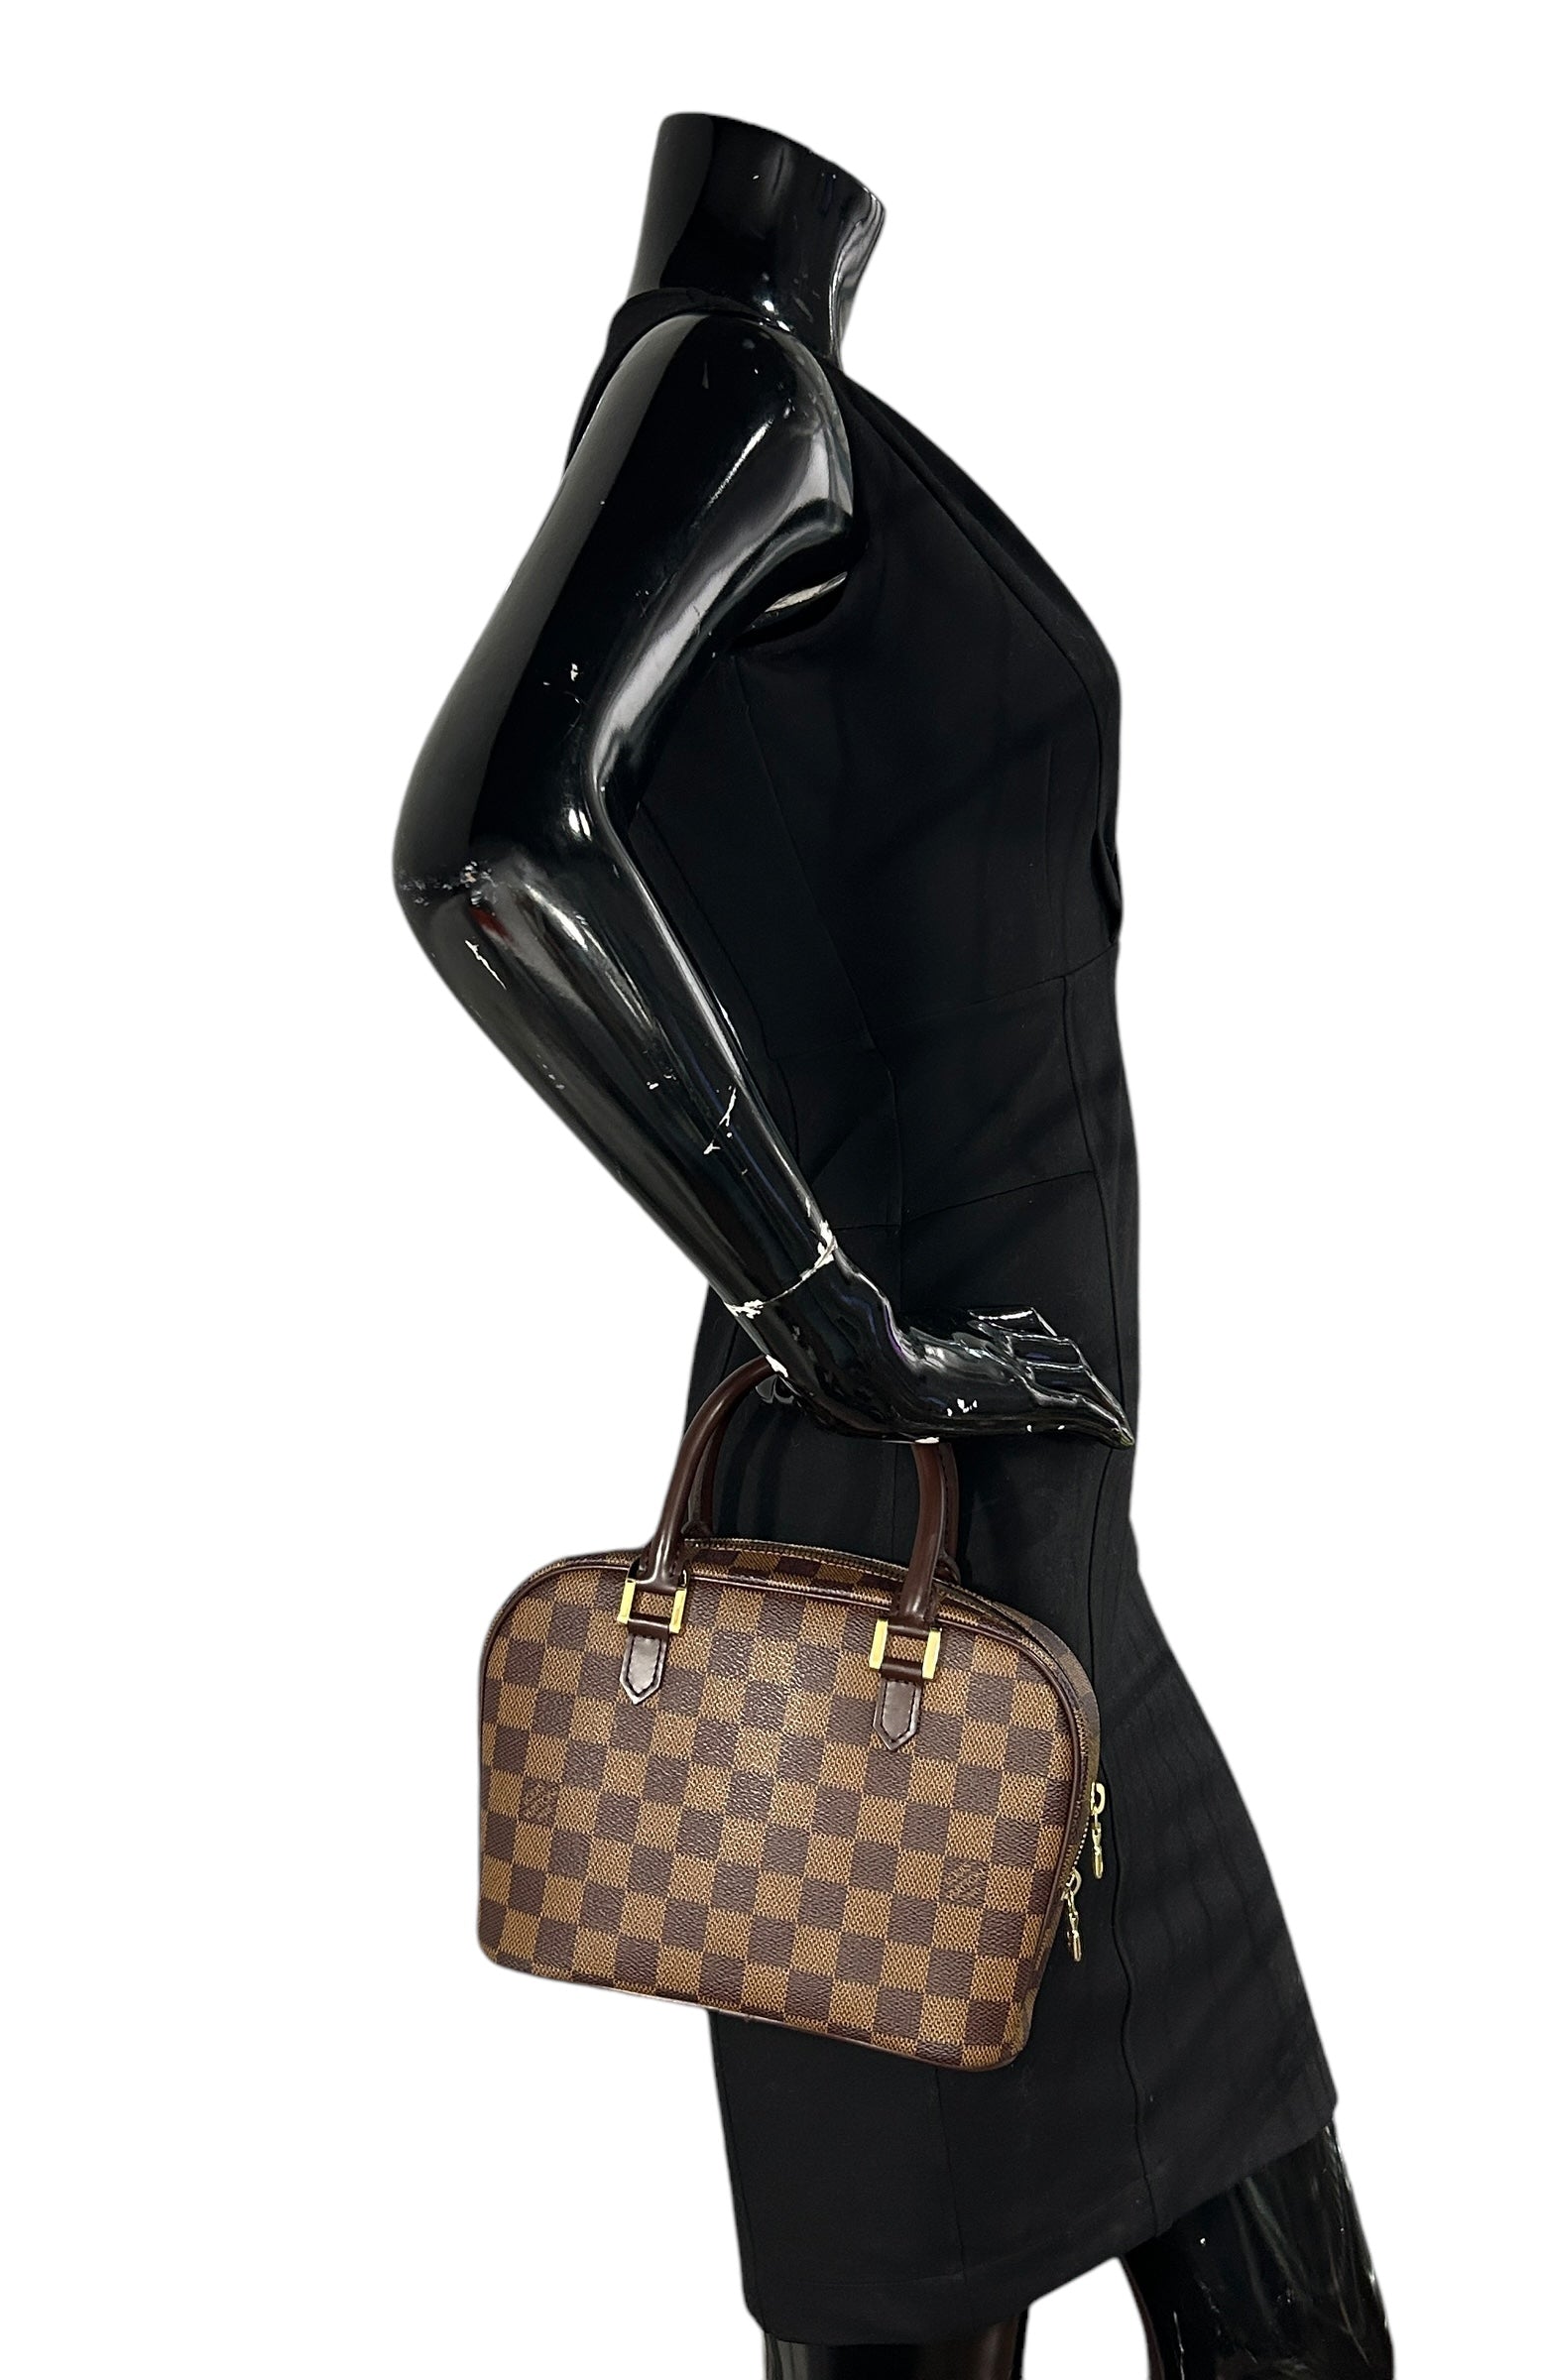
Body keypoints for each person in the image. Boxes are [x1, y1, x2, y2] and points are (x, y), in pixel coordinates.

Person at [396, 112, 1391, 2378]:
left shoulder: (753, 413)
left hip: (1045, 1556)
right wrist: (836, 1314)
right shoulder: (733, 389)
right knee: (921, 2300)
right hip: (897, 1553)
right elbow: (492, 849)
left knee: (1269, 2288)